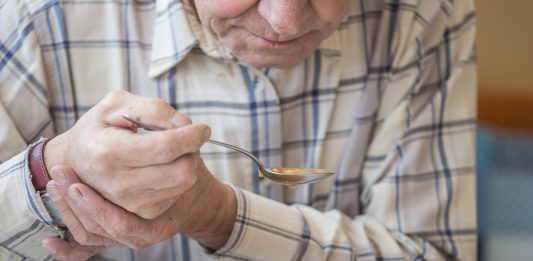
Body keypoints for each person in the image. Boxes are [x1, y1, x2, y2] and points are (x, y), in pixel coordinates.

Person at [0, 0, 477, 260]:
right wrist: (51, 170)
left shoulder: (424, 15)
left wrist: (220, 214)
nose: (284, 20)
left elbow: (434, 254)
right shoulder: (32, 16)